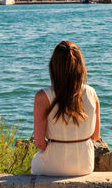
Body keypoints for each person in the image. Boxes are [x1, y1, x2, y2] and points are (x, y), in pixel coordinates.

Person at [31, 41, 100, 176]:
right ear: (80, 67)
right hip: (85, 165)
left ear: (53, 67)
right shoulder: (92, 93)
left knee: (36, 162)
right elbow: (95, 136)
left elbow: (40, 143)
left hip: (52, 165)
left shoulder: (42, 96)